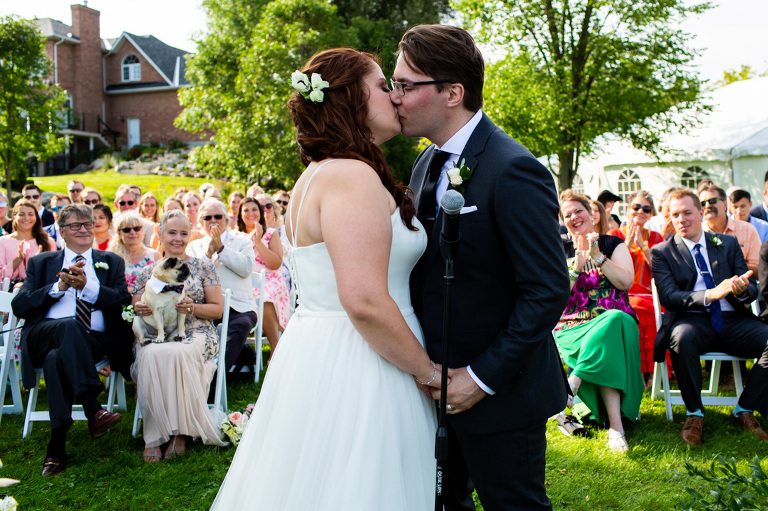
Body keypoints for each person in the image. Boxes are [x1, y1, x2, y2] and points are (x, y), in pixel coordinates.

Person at [211, 48, 440, 510]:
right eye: (383, 86)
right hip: (365, 360)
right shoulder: (350, 176)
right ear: (352, 98)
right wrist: (429, 372)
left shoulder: (320, 174)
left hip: (321, 349)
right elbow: (364, 300)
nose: (396, 96)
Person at [393, 25, 569, 510]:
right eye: (394, 83)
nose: (395, 96)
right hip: (431, 386)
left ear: (453, 93)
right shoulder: (426, 163)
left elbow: (547, 289)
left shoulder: (513, 168)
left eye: (406, 84)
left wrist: (481, 378)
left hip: (501, 391)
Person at [11, 204, 131, 476]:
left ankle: (56, 446)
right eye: (76, 225)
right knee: (67, 326)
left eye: (88, 224)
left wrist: (88, 288)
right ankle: (92, 407)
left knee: (57, 359)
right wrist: (58, 287)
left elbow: (122, 300)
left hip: (93, 341)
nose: (84, 229)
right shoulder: (42, 263)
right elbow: (20, 305)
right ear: (62, 231)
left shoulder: (111, 261)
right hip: (43, 334)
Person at [652, 188, 768, 445]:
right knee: (681, 337)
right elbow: (669, 297)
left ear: (700, 213)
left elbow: (750, 288)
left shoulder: (727, 243)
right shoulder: (662, 252)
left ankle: (745, 409)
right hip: (692, 320)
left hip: (733, 320)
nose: (681, 219)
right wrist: (710, 295)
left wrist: (741, 290)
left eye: (687, 213)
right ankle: (694, 414)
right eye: (675, 214)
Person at [131, 210, 226, 462]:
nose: (177, 238)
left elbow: (217, 310)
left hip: (197, 330)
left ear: (190, 236)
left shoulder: (203, 267)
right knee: (151, 353)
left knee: (181, 352)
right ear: (160, 234)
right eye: (172, 232)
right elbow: (135, 309)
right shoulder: (147, 272)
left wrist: (192, 308)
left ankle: (181, 432)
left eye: (183, 233)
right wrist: (139, 308)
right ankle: (153, 435)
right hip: (157, 332)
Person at [557, 192, 643, 451]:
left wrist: (598, 258)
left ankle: (573, 382)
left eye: (578, 211)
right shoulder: (558, 249)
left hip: (618, 321)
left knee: (612, 322)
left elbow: (625, 283)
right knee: (607, 342)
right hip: (574, 325)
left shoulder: (613, 244)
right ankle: (616, 429)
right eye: (567, 215)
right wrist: (576, 267)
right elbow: (555, 298)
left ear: (591, 213)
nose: (574, 217)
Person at [188, 198, 258, 371]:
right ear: (201, 222)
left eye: (218, 216)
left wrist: (221, 249)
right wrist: (207, 254)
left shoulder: (243, 242)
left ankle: (215, 379)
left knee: (240, 326)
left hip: (239, 306)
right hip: (206, 307)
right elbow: (191, 280)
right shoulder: (193, 247)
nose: (213, 221)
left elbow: (246, 269)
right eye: (207, 217)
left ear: (226, 220)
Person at [607, 190, 666, 388]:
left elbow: (660, 269)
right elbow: (611, 266)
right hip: (620, 292)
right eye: (636, 207)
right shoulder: (614, 235)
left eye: (646, 209)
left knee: (650, 310)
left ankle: (653, 372)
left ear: (651, 214)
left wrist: (643, 246)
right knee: (636, 309)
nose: (640, 211)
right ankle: (637, 372)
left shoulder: (656, 237)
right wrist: (627, 244)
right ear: (628, 209)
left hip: (650, 294)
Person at [236, 197, 289, 352]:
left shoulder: (271, 234)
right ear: (240, 214)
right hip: (244, 279)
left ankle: (275, 348)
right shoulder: (235, 236)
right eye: (246, 210)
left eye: (254, 209)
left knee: (263, 295)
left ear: (260, 212)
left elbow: (275, 264)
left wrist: (258, 241)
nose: (250, 213)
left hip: (269, 279)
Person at [699, 182, 761, 275]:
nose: (707, 206)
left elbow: (759, 269)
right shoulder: (697, 233)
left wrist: (732, 263)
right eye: (703, 203)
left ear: (725, 204)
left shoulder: (748, 230)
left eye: (712, 201)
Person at [0, 199, 55, 284]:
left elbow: (53, 273)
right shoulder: (3, 242)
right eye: (22, 214)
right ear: (14, 217)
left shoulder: (48, 242)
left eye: (31, 214)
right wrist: (18, 259)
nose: (26, 218)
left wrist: (37, 262)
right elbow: (1, 275)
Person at [106, 213, 159, 294]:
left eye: (136, 228)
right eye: (127, 230)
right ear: (119, 233)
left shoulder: (155, 255)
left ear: (142, 230)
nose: (132, 232)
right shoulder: (112, 257)